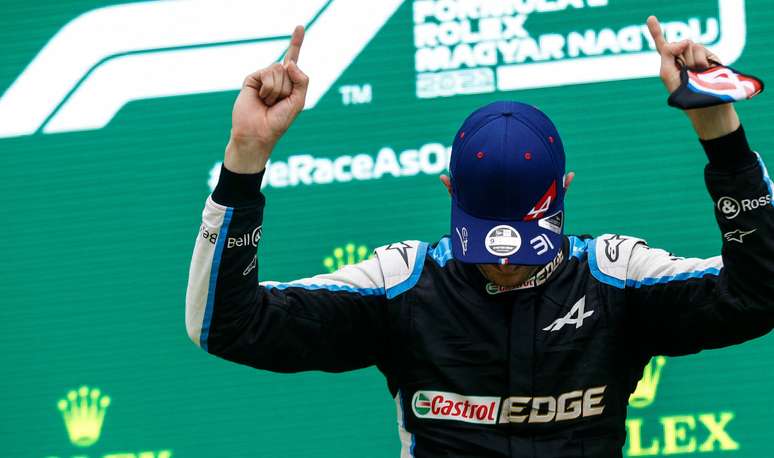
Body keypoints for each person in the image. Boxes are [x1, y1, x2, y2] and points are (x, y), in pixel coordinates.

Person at [185, 17, 773, 457]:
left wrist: (718, 128)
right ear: (448, 193)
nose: (505, 264)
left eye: (523, 241)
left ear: (564, 193)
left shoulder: (615, 279)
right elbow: (228, 326)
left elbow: (758, 293)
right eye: (487, 240)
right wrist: (245, 158)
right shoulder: (404, 286)